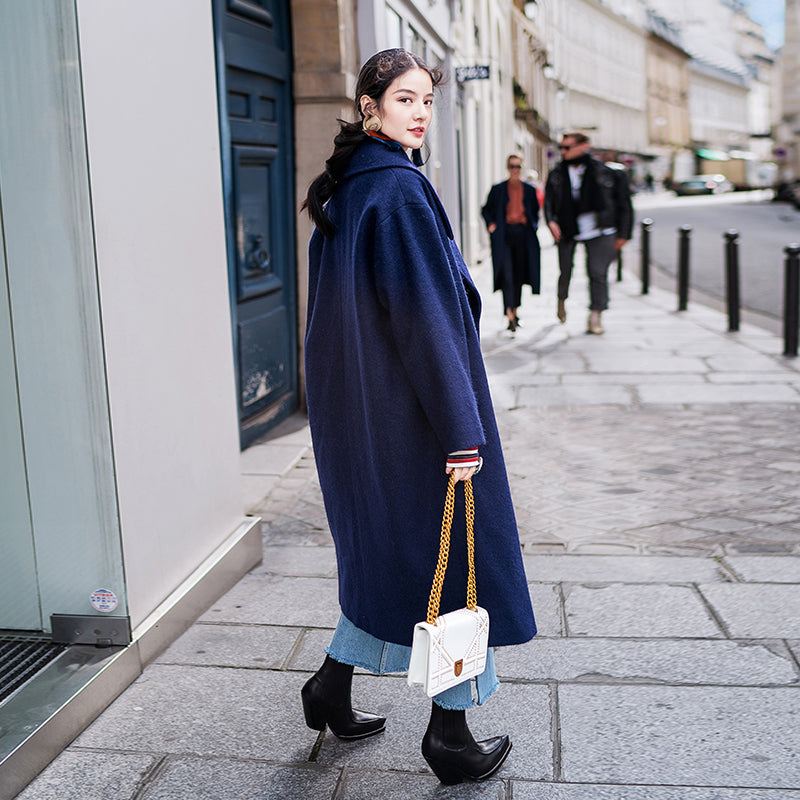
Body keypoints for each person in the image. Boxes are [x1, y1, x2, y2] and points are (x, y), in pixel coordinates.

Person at [300, 48, 536, 785]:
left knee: (393, 561)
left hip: (365, 416)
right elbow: (427, 320)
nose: (421, 112)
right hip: (416, 418)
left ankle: (328, 689)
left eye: (427, 100)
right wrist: (462, 431)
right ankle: (451, 736)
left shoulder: (350, 189)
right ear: (369, 105)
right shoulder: (397, 191)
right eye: (405, 99)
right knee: (460, 570)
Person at [544, 132, 633, 334]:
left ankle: (596, 315)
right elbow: (549, 201)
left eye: (567, 147)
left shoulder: (607, 173)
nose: (563, 152)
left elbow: (624, 205)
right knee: (565, 271)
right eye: (562, 148)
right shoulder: (557, 173)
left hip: (600, 229)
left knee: (598, 273)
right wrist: (551, 221)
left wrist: (623, 235)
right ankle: (561, 299)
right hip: (568, 229)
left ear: (584, 146)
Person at [481, 155, 541, 333]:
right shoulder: (498, 189)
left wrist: (532, 227)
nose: (515, 169)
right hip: (504, 236)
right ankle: (509, 314)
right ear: (507, 168)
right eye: (511, 166)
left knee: (519, 275)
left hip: (523, 236)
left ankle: (515, 310)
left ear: (521, 168)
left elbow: (535, 213)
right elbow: (486, 210)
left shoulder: (529, 190)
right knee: (507, 274)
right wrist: (491, 224)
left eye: (518, 166)